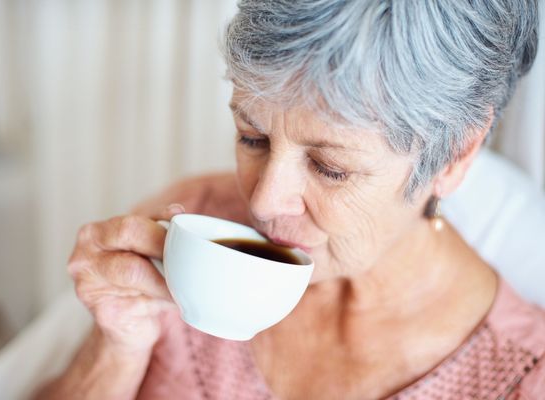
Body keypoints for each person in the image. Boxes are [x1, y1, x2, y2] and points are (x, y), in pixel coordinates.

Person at [34, 1, 545, 399]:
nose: (263, 202)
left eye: (330, 168)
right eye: (252, 138)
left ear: (455, 157)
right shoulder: (189, 224)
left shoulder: (523, 378)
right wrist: (116, 349)